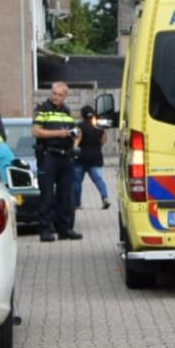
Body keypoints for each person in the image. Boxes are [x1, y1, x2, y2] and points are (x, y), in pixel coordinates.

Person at [32, 81, 81, 242]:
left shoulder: (67, 112)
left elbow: (77, 132)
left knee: (66, 195)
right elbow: (37, 131)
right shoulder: (42, 109)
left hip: (65, 156)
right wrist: (59, 134)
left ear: (65, 96)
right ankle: (45, 231)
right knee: (47, 195)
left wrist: (75, 143)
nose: (56, 97)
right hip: (48, 156)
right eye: (54, 93)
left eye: (60, 95)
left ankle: (65, 230)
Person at [73, 106, 111, 210]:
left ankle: (77, 203)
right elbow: (103, 141)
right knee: (99, 180)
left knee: (77, 181)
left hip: (80, 158)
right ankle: (105, 198)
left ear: (82, 115)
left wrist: (74, 151)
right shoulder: (99, 127)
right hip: (95, 157)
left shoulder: (79, 127)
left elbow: (76, 142)